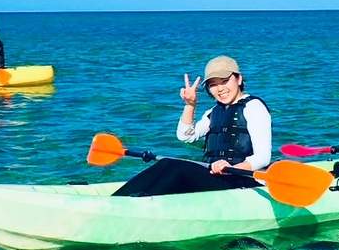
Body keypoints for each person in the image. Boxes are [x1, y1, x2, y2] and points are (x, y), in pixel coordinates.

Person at [113, 55, 272, 197]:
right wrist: (190, 105)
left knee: (176, 167)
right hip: (220, 178)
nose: (220, 89)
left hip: (244, 182)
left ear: (238, 79)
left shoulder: (254, 107)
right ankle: (118, 199)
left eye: (224, 81)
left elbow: (263, 157)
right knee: (165, 163)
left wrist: (232, 167)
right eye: (213, 85)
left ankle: (134, 203)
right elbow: (186, 136)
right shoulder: (214, 111)